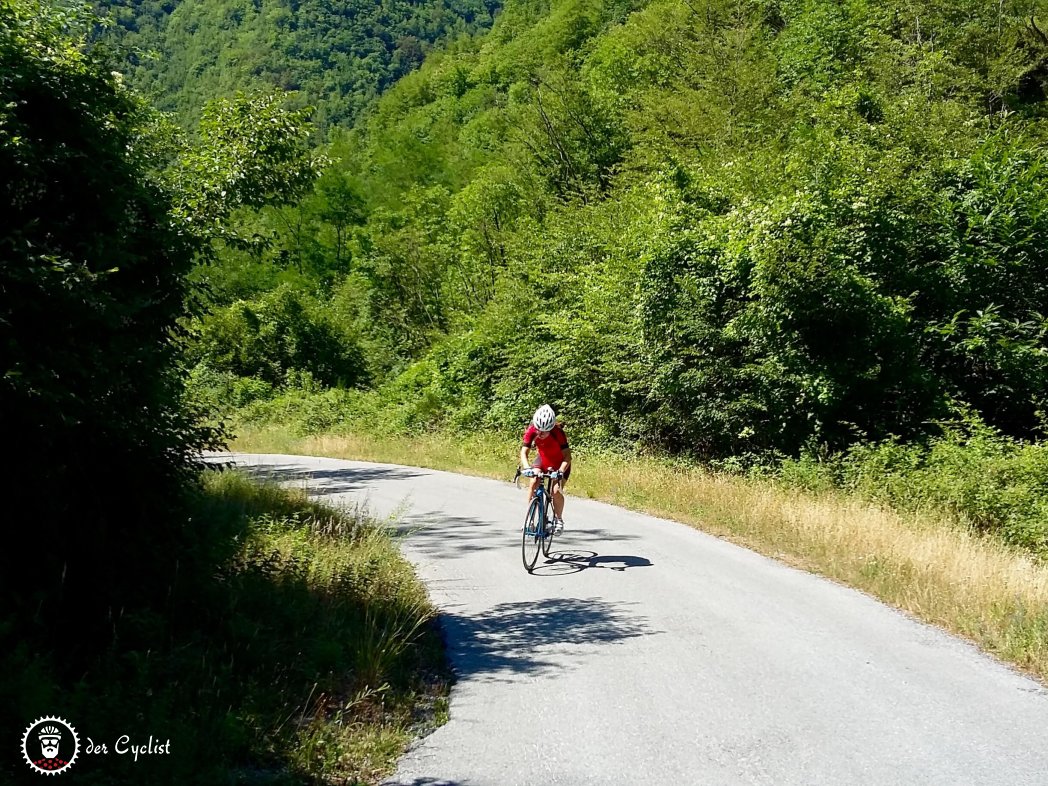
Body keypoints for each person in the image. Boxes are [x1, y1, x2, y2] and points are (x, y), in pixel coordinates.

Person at [519, 404, 572, 534]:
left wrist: (560, 471)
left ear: (551, 428)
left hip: (560, 463)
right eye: (539, 430)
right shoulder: (532, 430)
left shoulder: (558, 433)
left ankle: (558, 519)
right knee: (533, 481)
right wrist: (527, 467)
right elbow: (524, 452)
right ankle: (530, 519)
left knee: (555, 490)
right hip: (543, 459)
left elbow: (568, 456)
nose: (541, 434)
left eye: (545, 431)